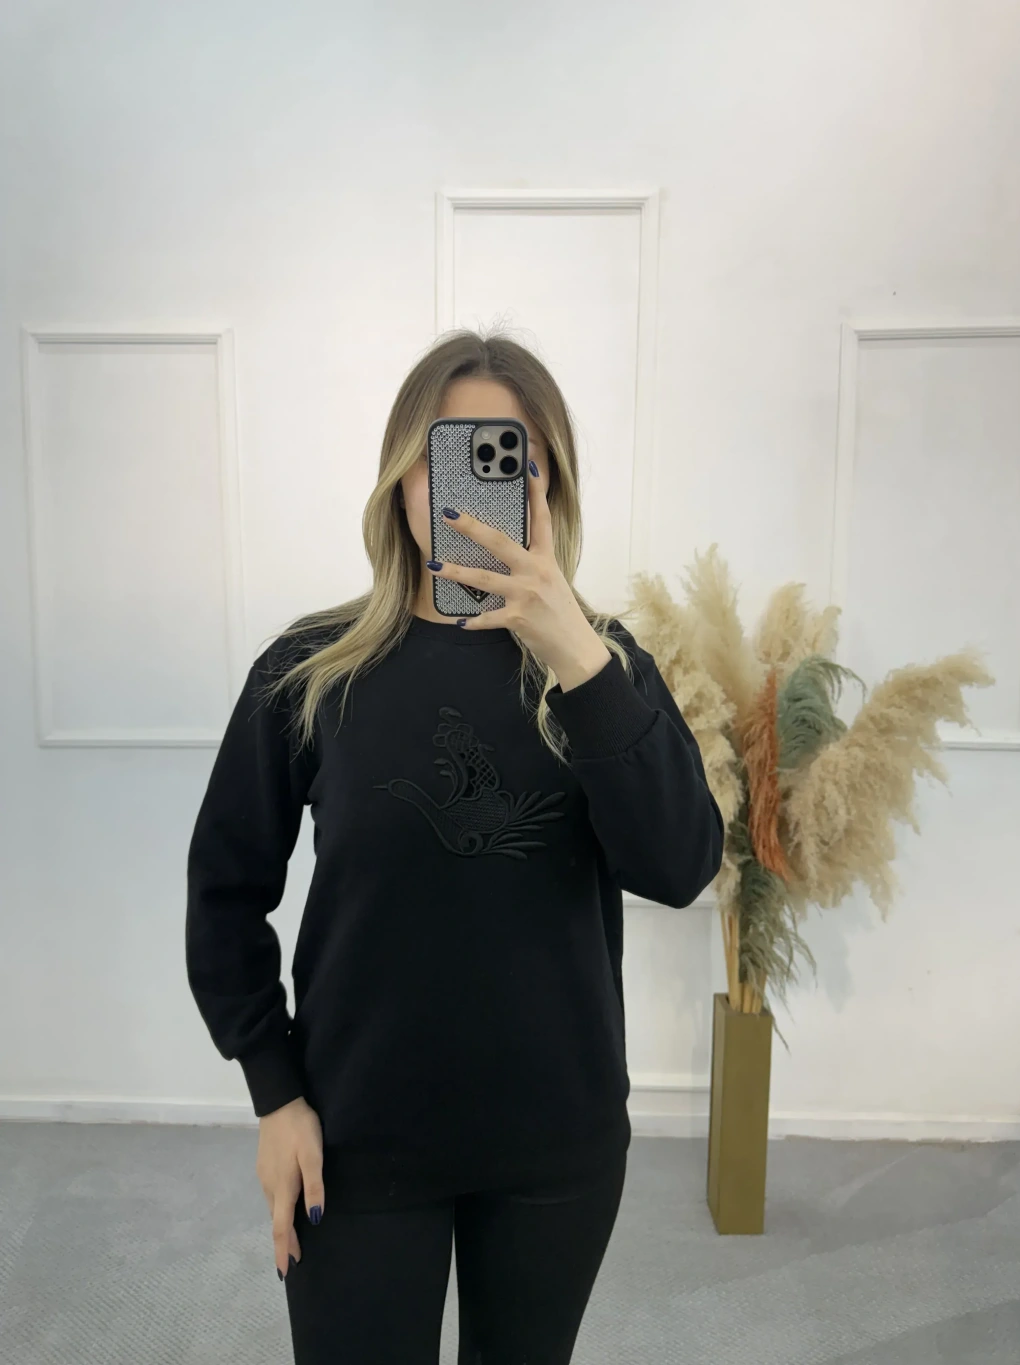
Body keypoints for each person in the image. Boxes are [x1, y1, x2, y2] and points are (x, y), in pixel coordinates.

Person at [185, 328, 725, 1364]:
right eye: (447, 457)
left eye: (507, 460)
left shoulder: (604, 670)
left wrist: (577, 658)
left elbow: (679, 866)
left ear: (549, 488)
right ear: (400, 481)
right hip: (354, 1136)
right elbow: (224, 889)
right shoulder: (311, 672)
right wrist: (273, 1090)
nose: (470, 493)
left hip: (554, 1146)